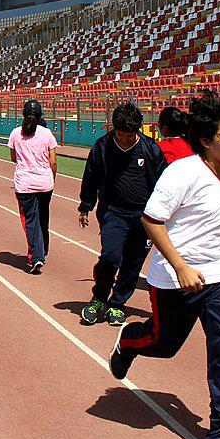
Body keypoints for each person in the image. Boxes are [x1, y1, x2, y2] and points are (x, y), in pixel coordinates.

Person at [110, 91, 220, 439]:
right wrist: (180, 267)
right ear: (206, 140)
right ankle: (128, 341)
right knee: (163, 344)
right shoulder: (182, 173)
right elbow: (151, 220)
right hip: (175, 278)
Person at [78, 103, 167, 327]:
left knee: (133, 262)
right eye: (120, 135)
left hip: (144, 216)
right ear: (113, 129)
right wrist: (85, 205)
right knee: (110, 256)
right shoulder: (102, 147)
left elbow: (164, 184)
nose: (125, 140)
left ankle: (117, 303)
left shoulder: (150, 149)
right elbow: (91, 176)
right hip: (113, 212)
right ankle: (99, 298)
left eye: (129, 136)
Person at [8, 99, 58, 274]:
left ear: (23, 114)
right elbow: (53, 162)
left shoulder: (16, 133)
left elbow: (13, 158)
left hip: (25, 184)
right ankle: (43, 248)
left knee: (30, 221)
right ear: (40, 115)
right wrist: (52, 178)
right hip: (45, 183)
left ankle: (37, 257)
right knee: (43, 216)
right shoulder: (47, 134)